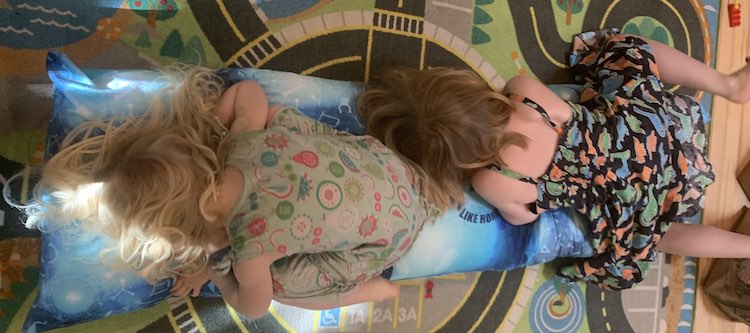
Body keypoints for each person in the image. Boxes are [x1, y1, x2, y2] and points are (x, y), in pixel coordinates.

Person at [23, 67, 439, 318]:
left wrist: (218, 273)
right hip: (387, 166)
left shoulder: (252, 248)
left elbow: (253, 305)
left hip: (389, 239)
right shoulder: (239, 141)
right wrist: (219, 124)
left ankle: (368, 291)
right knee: (277, 120)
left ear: (184, 238)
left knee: (283, 287)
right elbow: (248, 93)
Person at [357, 28, 750, 290]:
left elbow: (524, 215)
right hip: (648, 132)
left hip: (636, 196)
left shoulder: (492, 180)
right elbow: (571, 106)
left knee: (655, 237)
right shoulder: (521, 93)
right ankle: (730, 86)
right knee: (632, 49)